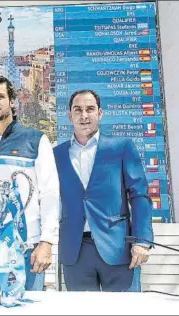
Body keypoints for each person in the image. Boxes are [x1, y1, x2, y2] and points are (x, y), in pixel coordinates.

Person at [53, 89, 153, 291]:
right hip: (75, 251)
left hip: (118, 249)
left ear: (100, 113)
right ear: (69, 115)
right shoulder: (56, 154)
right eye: (78, 110)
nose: (84, 115)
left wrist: (142, 241)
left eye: (90, 109)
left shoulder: (121, 147)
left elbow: (139, 195)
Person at [0, 76, 60, 291]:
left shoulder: (36, 140)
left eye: (1, 97)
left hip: (27, 245)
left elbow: (49, 193)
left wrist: (46, 242)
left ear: (12, 102)